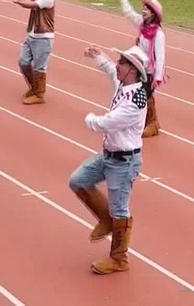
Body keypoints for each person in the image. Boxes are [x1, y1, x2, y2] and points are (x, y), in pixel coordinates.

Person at [69, 45, 150, 275]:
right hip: (109, 155)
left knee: (120, 210)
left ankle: (119, 258)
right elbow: (111, 72)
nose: (118, 64)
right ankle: (106, 219)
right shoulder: (125, 84)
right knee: (78, 180)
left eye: (122, 62)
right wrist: (99, 58)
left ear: (133, 70)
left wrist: (89, 119)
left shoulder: (135, 101)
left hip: (124, 162)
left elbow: (108, 123)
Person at [117, 0, 166, 137]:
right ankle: (143, 121)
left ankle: (153, 124)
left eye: (146, 10)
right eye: (143, 9)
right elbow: (129, 13)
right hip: (139, 67)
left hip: (149, 72)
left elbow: (160, 56)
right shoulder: (141, 24)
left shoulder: (158, 34)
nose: (143, 11)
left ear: (153, 14)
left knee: (145, 95)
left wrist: (157, 77)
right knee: (137, 93)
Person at [13, 0, 55, 105]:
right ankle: (34, 88)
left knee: (39, 67)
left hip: (43, 37)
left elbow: (32, 5)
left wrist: (20, 2)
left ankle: (39, 94)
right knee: (23, 61)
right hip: (32, 35)